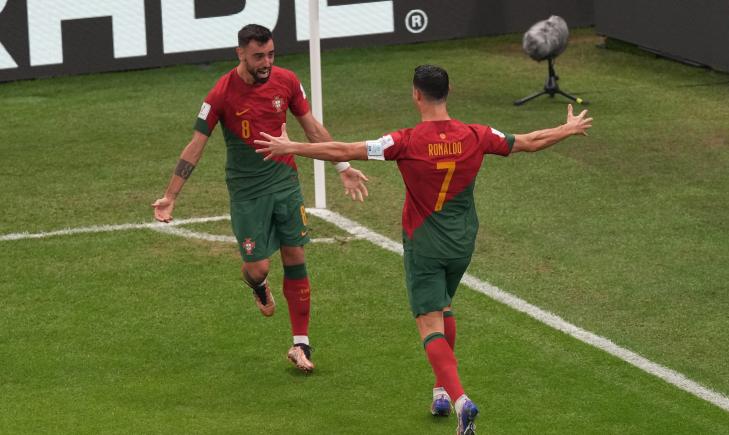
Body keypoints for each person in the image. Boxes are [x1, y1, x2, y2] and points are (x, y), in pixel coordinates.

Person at [254, 64, 592, 434]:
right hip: (462, 242)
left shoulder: (406, 141)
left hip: (425, 245)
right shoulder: (477, 135)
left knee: (429, 323)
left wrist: (291, 147)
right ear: (449, 92)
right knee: (444, 306)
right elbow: (528, 141)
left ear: (416, 94)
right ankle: (440, 392)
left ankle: (461, 401)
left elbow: (343, 149)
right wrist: (568, 129)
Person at [151, 24, 369, 374]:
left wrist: (342, 165)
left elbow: (311, 126)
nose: (266, 62)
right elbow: (195, 146)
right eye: (258, 56)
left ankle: (300, 344)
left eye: (270, 54)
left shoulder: (287, 81)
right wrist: (170, 196)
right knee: (258, 267)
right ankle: (258, 285)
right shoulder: (220, 94)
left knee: (295, 252)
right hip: (247, 192)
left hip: (284, 181)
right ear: (240, 54)